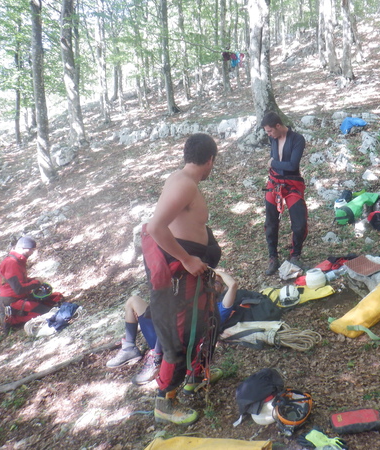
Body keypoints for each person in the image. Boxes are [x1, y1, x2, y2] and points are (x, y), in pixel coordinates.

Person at [141, 133, 223, 426]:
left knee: (205, 323)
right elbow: (155, 227)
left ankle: (195, 375)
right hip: (181, 277)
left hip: (193, 275)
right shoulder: (184, 184)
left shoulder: (183, 181)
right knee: (179, 336)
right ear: (210, 160)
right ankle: (165, 401)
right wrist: (187, 259)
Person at [106, 269, 238, 388]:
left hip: (172, 344)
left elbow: (233, 285)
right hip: (162, 332)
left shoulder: (220, 309)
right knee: (133, 300)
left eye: (217, 283)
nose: (213, 284)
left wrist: (216, 272)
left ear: (222, 290)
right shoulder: (195, 301)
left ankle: (156, 359)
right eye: (211, 281)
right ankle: (129, 348)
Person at [261, 111, 308, 276]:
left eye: (270, 131)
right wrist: (274, 164)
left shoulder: (297, 139)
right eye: (267, 132)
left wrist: (273, 163)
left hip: (292, 184)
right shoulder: (273, 138)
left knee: (299, 222)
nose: (268, 134)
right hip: (273, 183)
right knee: (270, 221)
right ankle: (273, 257)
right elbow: (279, 163)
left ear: (278, 126)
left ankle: (295, 255)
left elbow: (292, 165)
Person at [0, 236, 62, 332]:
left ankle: (10, 315)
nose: (31, 252)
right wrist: (36, 282)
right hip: (12, 300)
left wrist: (33, 280)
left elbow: (19, 280)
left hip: (19, 297)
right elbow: (19, 289)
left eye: (33, 250)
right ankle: (10, 320)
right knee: (46, 313)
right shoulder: (12, 262)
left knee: (52, 300)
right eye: (30, 249)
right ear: (21, 248)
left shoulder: (18, 260)